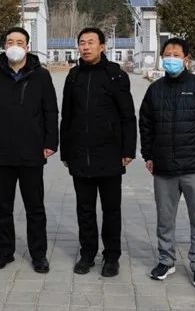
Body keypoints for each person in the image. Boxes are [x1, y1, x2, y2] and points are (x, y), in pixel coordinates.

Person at [139, 37, 195, 288]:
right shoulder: (155, 89)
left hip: (194, 166)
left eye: (176, 55)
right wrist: (148, 155)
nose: (171, 59)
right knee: (165, 219)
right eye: (167, 54)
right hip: (164, 167)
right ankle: (166, 260)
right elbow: (145, 124)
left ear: (186, 59)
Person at [0, 26, 59, 273]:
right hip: (1, 152)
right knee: (3, 206)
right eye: (10, 41)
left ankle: (38, 254)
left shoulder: (41, 75)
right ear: (4, 46)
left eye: (19, 42)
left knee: (35, 207)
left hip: (32, 151)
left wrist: (50, 142)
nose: (14, 46)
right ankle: (5, 251)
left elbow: (50, 111)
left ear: (27, 47)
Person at [60, 27, 137, 277]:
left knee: (111, 210)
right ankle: (87, 254)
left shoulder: (115, 75)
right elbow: (67, 116)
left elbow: (128, 116)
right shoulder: (73, 76)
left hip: (110, 155)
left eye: (91, 42)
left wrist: (128, 149)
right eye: (82, 42)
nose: (85, 47)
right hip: (80, 155)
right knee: (85, 210)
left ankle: (112, 256)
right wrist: (65, 151)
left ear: (102, 46)